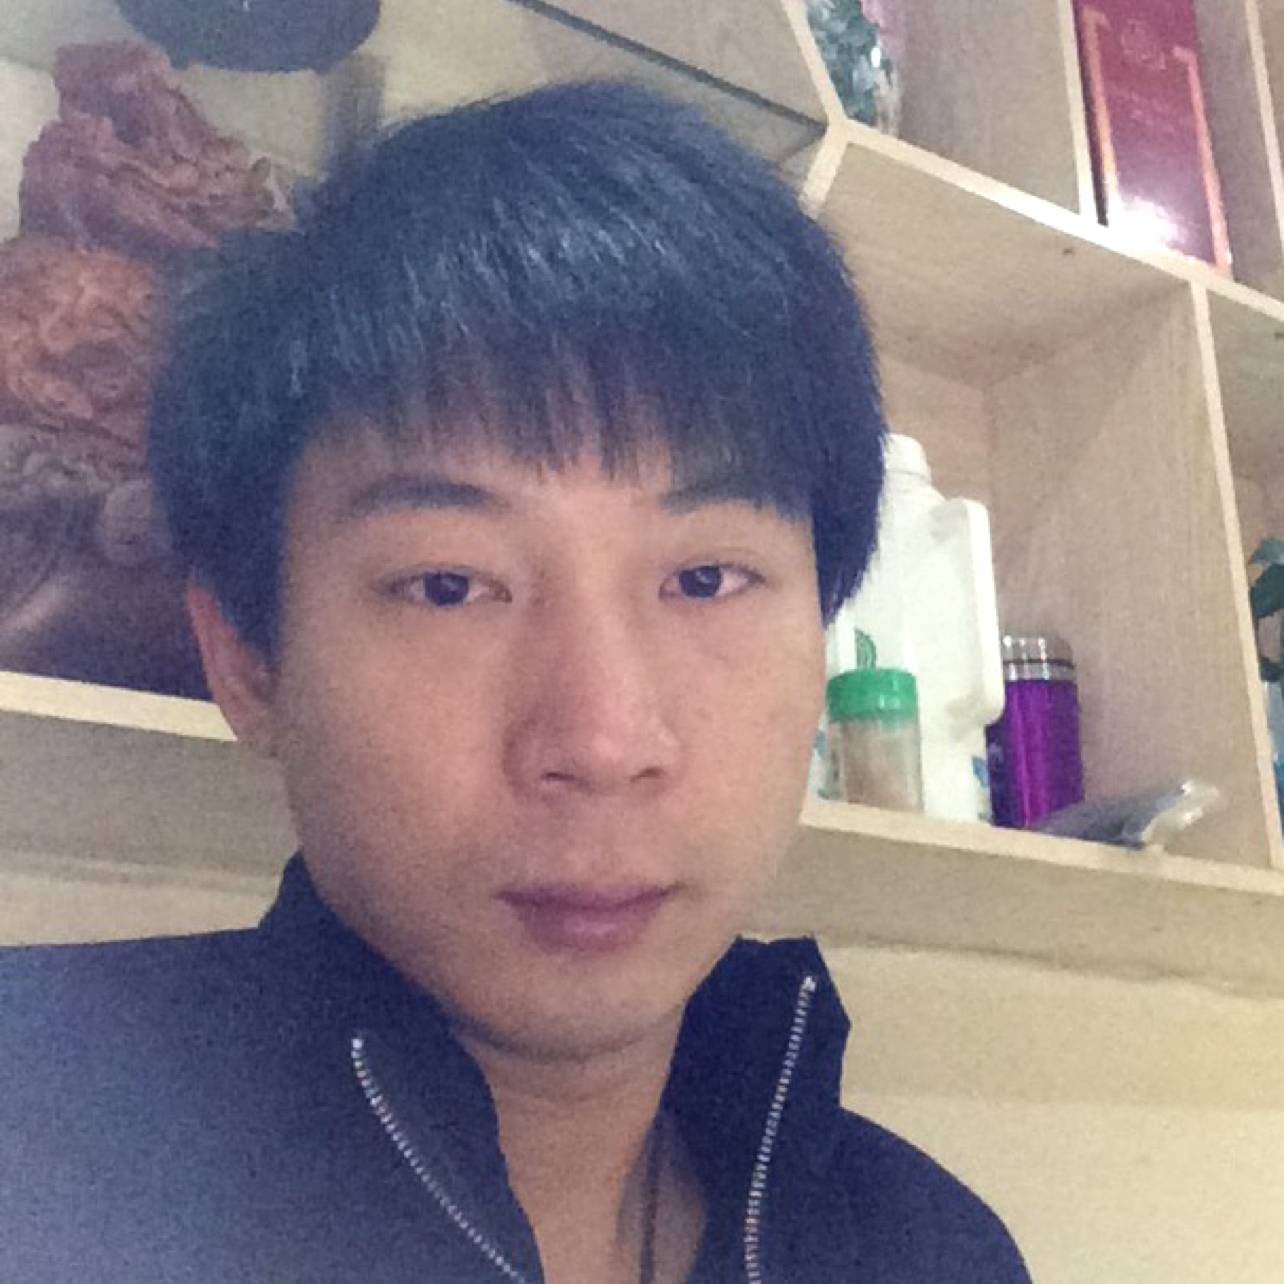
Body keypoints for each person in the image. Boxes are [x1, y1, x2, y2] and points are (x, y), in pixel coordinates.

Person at [0, 81, 1030, 1283]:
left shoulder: (930, 1249)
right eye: (450, 585)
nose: (603, 741)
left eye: (705, 577)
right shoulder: (37, 1149)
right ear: (246, 657)